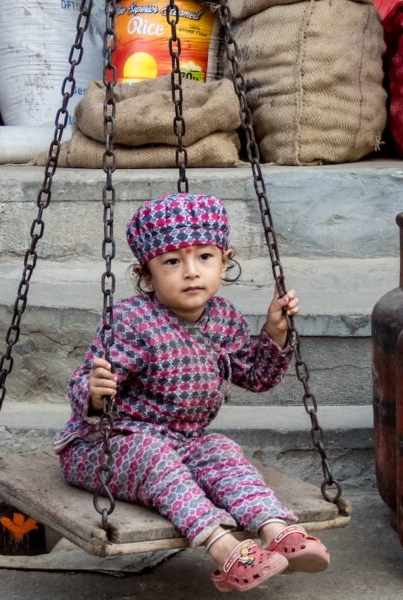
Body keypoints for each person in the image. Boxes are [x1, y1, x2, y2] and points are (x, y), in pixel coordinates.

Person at [54, 193, 330, 592]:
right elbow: (84, 385)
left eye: (204, 257)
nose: (191, 272)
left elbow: (256, 377)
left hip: (184, 441)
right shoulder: (133, 320)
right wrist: (95, 392)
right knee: (153, 456)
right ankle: (226, 550)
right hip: (106, 445)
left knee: (221, 449)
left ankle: (276, 530)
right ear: (146, 275)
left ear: (225, 259)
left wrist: (274, 332)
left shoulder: (224, 319)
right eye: (172, 262)